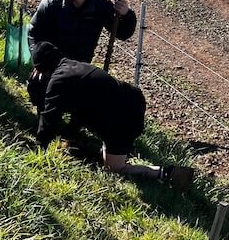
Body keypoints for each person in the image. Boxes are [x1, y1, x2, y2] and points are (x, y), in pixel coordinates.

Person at [29, 41, 192, 187]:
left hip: (122, 120)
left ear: (40, 68)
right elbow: (78, 111)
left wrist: (39, 148)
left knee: (113, 169)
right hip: (132, 100)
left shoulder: (58, 81)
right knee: (103, 142)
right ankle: (118, 149)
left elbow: (48, 118)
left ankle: (166, 173)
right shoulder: (74, 66)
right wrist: (69, 134)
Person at [28, 0, 136, 64]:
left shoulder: (100, 7)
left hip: (81, 68)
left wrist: (126, 14)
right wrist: (39, 61)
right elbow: (33, 33)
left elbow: (123, 33)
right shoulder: (50, 4)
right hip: (52, 65)